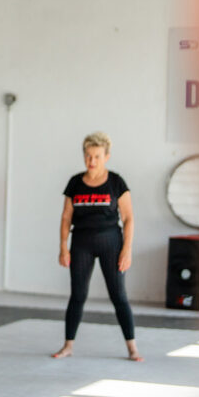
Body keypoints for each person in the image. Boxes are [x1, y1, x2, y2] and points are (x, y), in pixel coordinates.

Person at [53, 132, 140, 361]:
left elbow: (129, 217)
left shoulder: (116, 182)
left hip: (111, 242)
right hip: (81, 243)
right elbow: (65, 217)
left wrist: (127, 249)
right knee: (78, 295)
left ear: (106, 157)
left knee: (118, 296)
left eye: (97, 156)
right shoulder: (75, 183)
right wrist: (64, 247)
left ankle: (132, 348)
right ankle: (68, 345)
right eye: (88, 156)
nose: (92, 161)